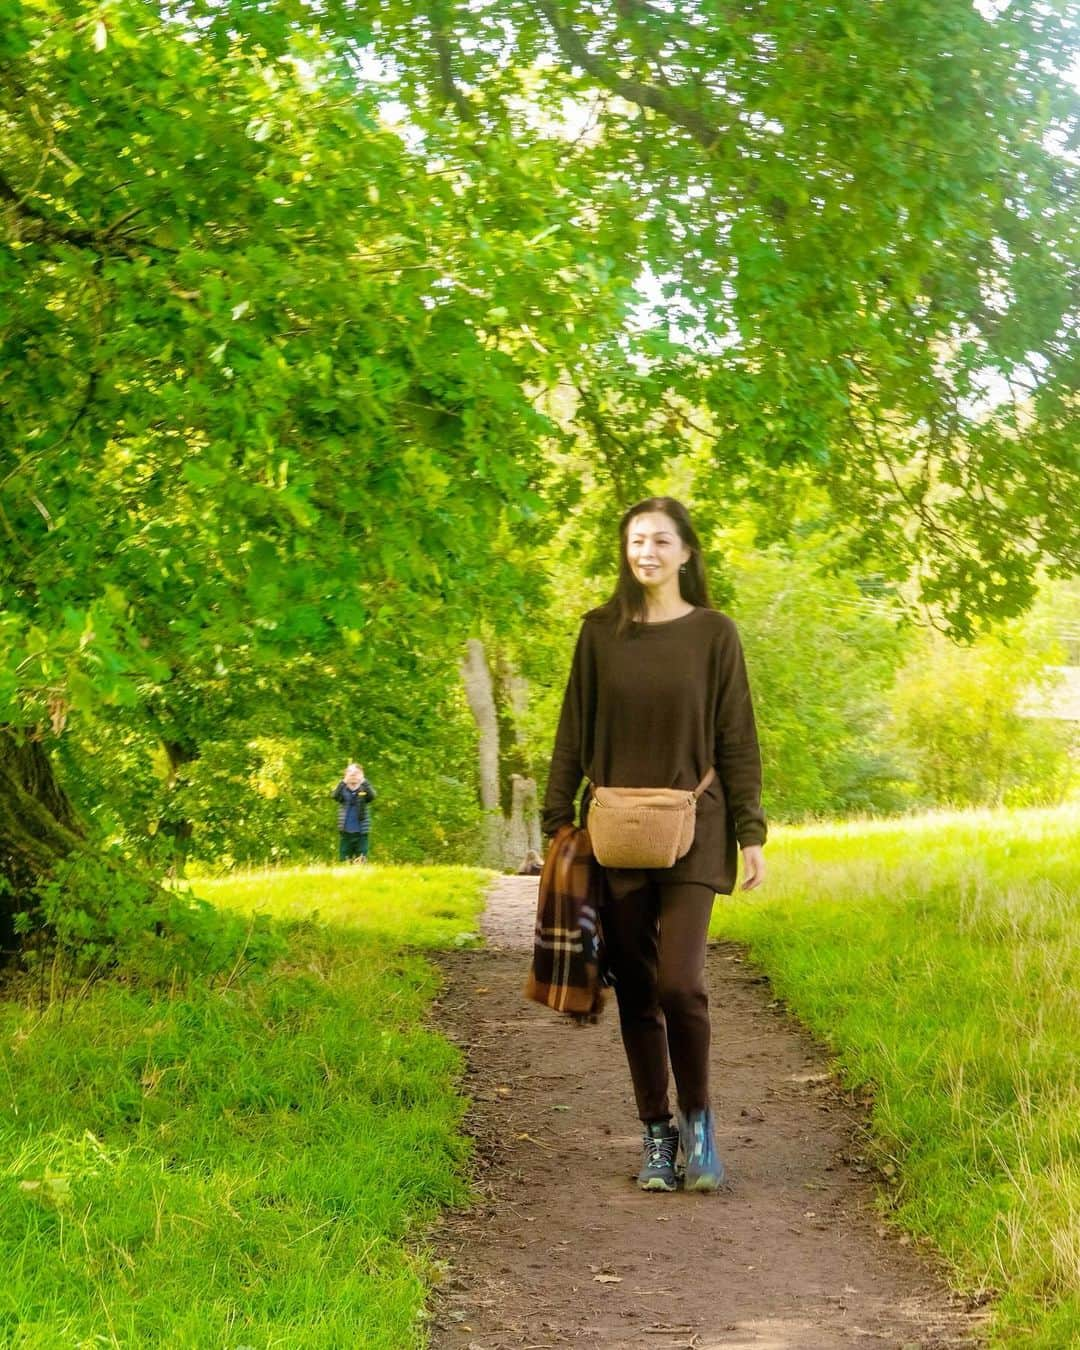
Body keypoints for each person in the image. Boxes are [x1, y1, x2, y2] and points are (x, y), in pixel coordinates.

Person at [542, 497, 766, 1194]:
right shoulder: (600, 633)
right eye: (637, 540)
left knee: (680, 983)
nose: (648, 552)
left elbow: (737, 737)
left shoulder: (714, 634)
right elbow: (573, 729)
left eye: (661, 541)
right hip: (614, 829)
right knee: (636, 985)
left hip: (697, 827)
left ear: (687, 552)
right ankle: (656, 1133)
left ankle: (699, 1124)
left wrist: (751, 833)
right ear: (626, 551)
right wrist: (557, 819)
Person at [332, 763, 377, 864]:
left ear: (361, 775)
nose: (353, 775)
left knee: (361, 860)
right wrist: (343, 781)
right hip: (346, 832)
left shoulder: (364, 789)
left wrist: (363, 781)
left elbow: (373, 796)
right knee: (344, 860)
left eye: (356, 773)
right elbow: (334, 796)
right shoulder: (343, 790)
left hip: (361, 832)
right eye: (350, 773)